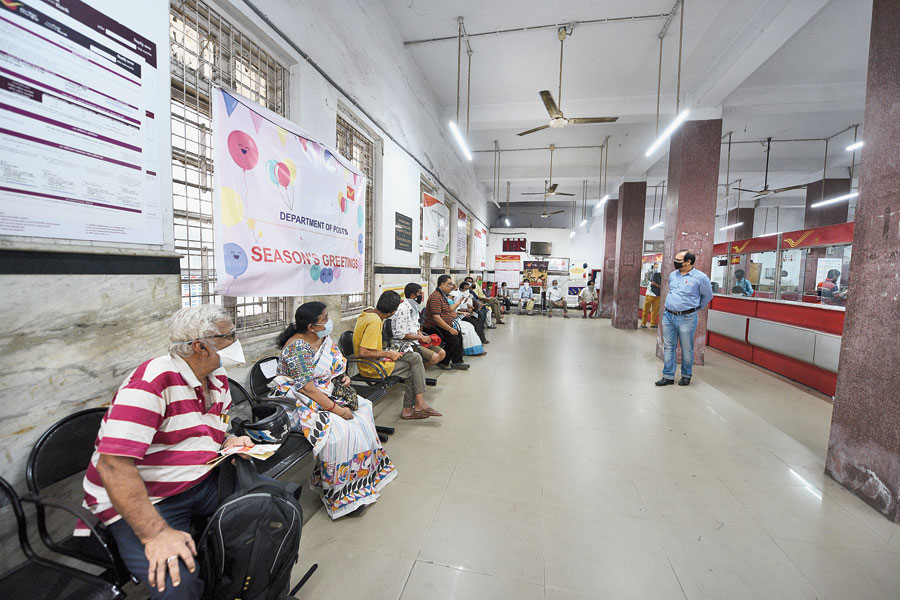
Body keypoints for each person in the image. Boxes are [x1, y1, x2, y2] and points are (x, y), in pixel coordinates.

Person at [79, 305, 253, 599]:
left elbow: (211, 428)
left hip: (201, 478)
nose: (236, 340)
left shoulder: (216, 376)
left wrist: (229, 441)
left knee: (267, 508)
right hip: (148, 497)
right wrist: (156, 534)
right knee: (177, 584)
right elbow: (113, 467)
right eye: (230, 335)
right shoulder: (152, 382)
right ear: (201, 346)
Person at [270, 302, 397, 518]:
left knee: (363, 410)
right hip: (298, 400)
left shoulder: (321, 339)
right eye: (325, 319)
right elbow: (306, 388)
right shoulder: (297, 348)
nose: (329, 322)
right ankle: (340, 493)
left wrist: (342, 377)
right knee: (340, 431)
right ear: (311, 326)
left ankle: (363, 477)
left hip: (324, 390)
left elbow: (335, 364)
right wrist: (338, 410)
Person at [354, 291, 442, 419]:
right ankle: (412, 407)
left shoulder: (369, 312)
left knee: (415, 358)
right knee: (413, 368)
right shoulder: (374, 322)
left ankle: (418, 404)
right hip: (372, 367)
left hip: (377, 359)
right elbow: (363, 352)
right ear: (393, 312)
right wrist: (388, 353)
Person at [656, 249, 713, 387]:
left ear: (689, 262)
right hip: (668, 316)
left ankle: (686, 376)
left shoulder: (701, 278)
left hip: (686, 318)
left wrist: (693, 308)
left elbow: (708, 296)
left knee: (687, 348)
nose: (675, 262)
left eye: (679, 260)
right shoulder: (672, 275)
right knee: (669, 347)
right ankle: (668, 375)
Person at [389, 283, 447, 369]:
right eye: (420, 293)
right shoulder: (403, 309)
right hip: (405, 343)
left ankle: (418, 370)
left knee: (442, 353)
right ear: (413, 295)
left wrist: (422, 336)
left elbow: (416, 327)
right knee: (435, 357)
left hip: (416, 339)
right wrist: (420, 338)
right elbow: (401, 335)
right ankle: (415, 372)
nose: (421, 296)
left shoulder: (414, 307)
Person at [423, 274, 471, 370]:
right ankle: (443, 362)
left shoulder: (442, 296)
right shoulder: (436, 297)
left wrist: (459, 302)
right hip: (434, 327)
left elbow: (448, 309)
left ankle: (457, 362)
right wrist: (449, 329)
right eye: (449, 284)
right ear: (442, 285)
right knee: (453, 338)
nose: (451, 286)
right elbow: (436, 318)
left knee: (458, 335)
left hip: (443, 326)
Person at [450, 282, 487, 356]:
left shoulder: (465, 296)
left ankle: (478, 345)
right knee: (469, 327)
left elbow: (458, 309)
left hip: (459, 317)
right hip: (456, 319)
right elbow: (454, 312)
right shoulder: (452, 300)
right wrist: (465, 311)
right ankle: (470, 350)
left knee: (476, 323)